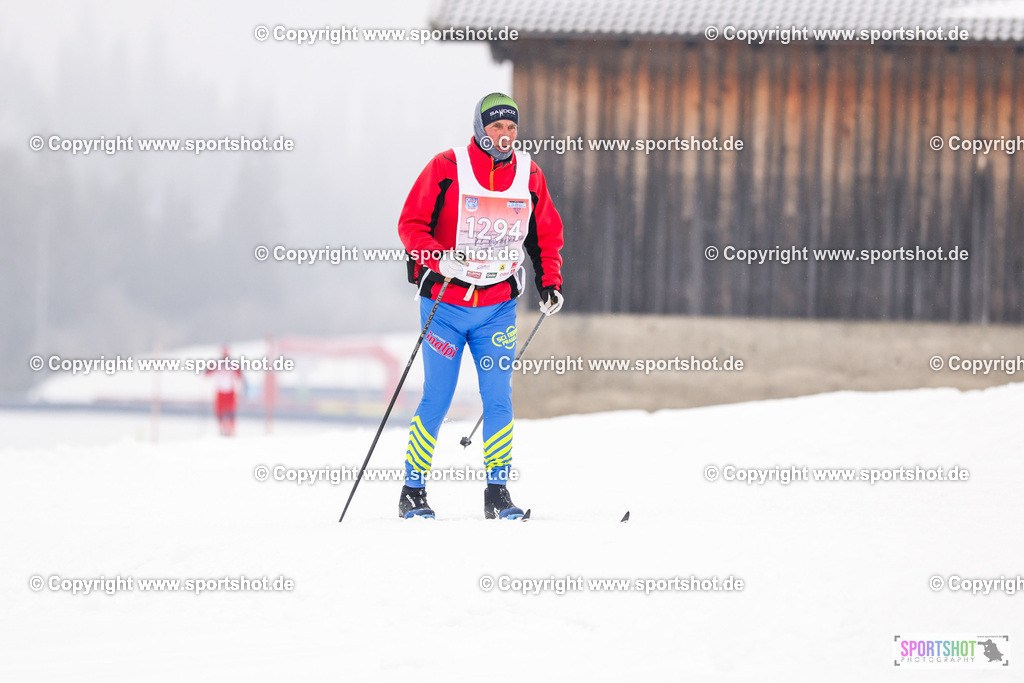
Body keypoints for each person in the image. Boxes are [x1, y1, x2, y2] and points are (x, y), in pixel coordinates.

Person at [396, 92, 565, 519]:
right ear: (480, 128)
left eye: (511, 127)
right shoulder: (446, 166)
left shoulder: (530, 174)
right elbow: (410, 225)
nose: (504, 135)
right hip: (446, 307)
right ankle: (413, 491)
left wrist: (550, 282)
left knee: (498, 399)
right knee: (438, 396)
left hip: (497, 308)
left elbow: (545, 234)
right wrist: (438, 258)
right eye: (496, 126)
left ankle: (497, 493)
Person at [206, 346, 245, 436]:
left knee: (231, 413)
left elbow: (239, 375)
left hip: (230, 392)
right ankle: (222, 429)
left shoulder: (232, 364)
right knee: (219, 413)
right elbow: (207, 373)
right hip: (220, 392)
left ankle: (230, 431)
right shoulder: (217, 364)